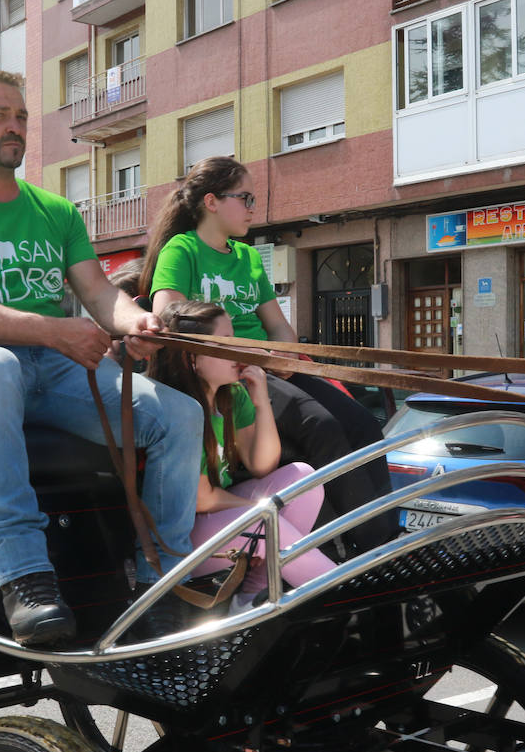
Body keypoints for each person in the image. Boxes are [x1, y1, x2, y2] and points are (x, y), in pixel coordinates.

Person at [0, 70, 202, 646]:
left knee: (181, 416)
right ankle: (23, 576)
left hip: (58, 366)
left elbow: (98, 293)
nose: (15, 127)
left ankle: (159, 582)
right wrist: (56, 332)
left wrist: (136, 321)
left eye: (20, 116)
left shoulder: (56, 211)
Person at [141, 155, 394, 554]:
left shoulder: (246, 258)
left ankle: (385, 537)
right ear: (211, 201)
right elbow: (169, 319)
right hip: (230, 371)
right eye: (245, 198)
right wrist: (249, 353)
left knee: (364, 422)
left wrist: (281, 354)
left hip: (269, 364)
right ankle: (365, 548)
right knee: (323, 425)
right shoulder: (181, 250)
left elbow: (278, 326)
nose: (253, 209)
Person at [150, 301, 337, 612]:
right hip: (180, 536)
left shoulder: (231, 395)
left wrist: (261, 399)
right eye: (225, 343)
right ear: (190, 357)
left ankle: (252, 596)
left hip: (218, 520)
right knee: (266, 523)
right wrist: (263, 510)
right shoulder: (177, 405)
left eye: (235, 338)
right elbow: (201, 499)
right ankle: (340, 589)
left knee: (304, 478)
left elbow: (261, 464)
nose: (237, 350)